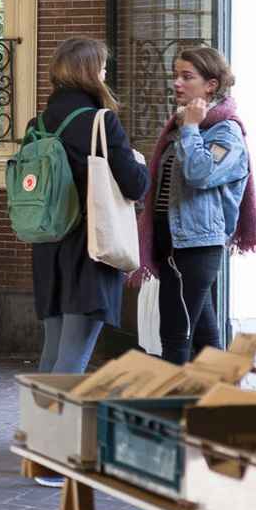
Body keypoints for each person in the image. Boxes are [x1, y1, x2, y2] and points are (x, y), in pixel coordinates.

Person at [32, 38, 150, 375]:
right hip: (91, 248)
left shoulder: (37, 125)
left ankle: (40, 426)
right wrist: (140, 165)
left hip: (48, 249)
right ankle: (55, 427)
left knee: (53, 352)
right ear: (88, 74)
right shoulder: (101, 122)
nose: (104, 73)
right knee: (72, 358)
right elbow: (135, 184)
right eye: (101, 67)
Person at [136, 46, 256, 365]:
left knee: (175, 337)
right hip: (174, 244)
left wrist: (190, 127)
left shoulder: (225, 131)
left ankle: (170, 413)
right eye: (175, 75)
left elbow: (200, 174)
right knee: (205, 338)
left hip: (196, 246)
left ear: (211, 85)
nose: (177, 83)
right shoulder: (181, 126)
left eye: (186, 77)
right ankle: (217, 409)